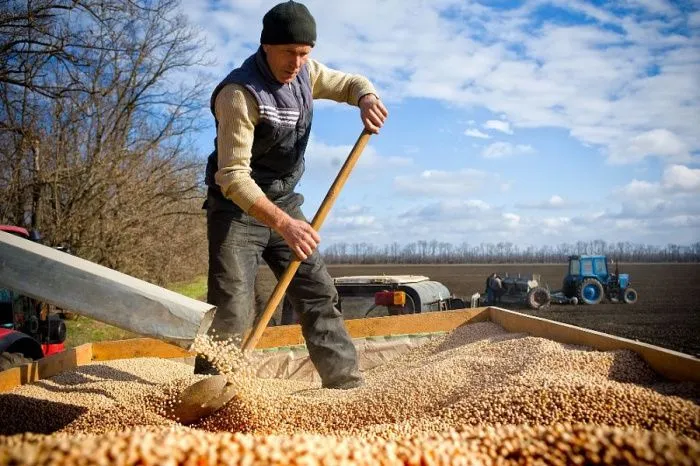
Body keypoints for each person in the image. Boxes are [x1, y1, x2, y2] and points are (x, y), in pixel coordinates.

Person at [200, 1, 388, 390]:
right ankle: (209, 396)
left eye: (305, 53)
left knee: (318, 291)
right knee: (232, 309)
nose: (297, 62)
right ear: (267, 46)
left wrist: (366, 97)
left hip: (284, 202)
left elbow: (352, 83)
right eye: (290, 52)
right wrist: (283, 224)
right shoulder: (239, 94)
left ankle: (345, 384)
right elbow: (232, 177)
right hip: (236, 209)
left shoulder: (307, 73)